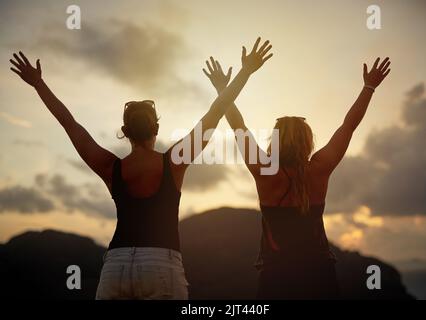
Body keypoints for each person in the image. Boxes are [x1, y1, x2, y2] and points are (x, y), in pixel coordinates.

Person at [9, 38, 273, 300]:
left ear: (125, 132)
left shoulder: (109, 166)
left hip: (115, 266)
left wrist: (38, 84)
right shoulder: (175, 161)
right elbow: (216, 112)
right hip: (161, 264)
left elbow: (69, 123)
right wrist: (245, 72)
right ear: (156, 129)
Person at [203, 56, 391, 299]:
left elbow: (238, 125)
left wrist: (222, 88)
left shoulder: (265, 171)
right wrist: (369, 87)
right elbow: (348, 126)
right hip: (319, 275)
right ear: (307, 141)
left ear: (275, 141)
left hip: (277, 278)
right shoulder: (319, 169)